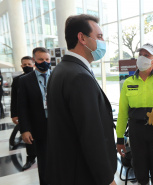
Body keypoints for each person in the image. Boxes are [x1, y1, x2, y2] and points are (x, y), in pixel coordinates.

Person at [46, 14, 117, 185]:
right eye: (99, 36)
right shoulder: (79, 76)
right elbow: (90, 134)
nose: (103, 41)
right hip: (84, 173)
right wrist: (106, 179)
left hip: (68, 168)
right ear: (82, 38)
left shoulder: (61, 70)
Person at [116, 43, 153, 185]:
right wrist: (120, 139)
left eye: (146, 55)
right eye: (141, 55)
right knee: (140, 169)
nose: (142, 58)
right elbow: (122, 113)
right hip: (136, 132)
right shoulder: (128, 82)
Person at [18, 47, 51, 185]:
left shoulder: (58, 76)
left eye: (47, 59)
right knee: (43, 162)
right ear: (34, 61)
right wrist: (25, 129)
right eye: (41, 59)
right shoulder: (25, 80)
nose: (45, 62)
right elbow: (22, 107)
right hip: (38, 127)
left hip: (57, 125)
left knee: (60, 159)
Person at [10, 56, 36, 170]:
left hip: (39, 112)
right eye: (24, 65)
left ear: (33, 64)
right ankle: (31, 157)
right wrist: (14, 114)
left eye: (29, 64)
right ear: (21, 66)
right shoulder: (17, 80)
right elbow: (14, 98)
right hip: (24, 113)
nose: (27, 67)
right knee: (27, 136)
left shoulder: (39, 76)